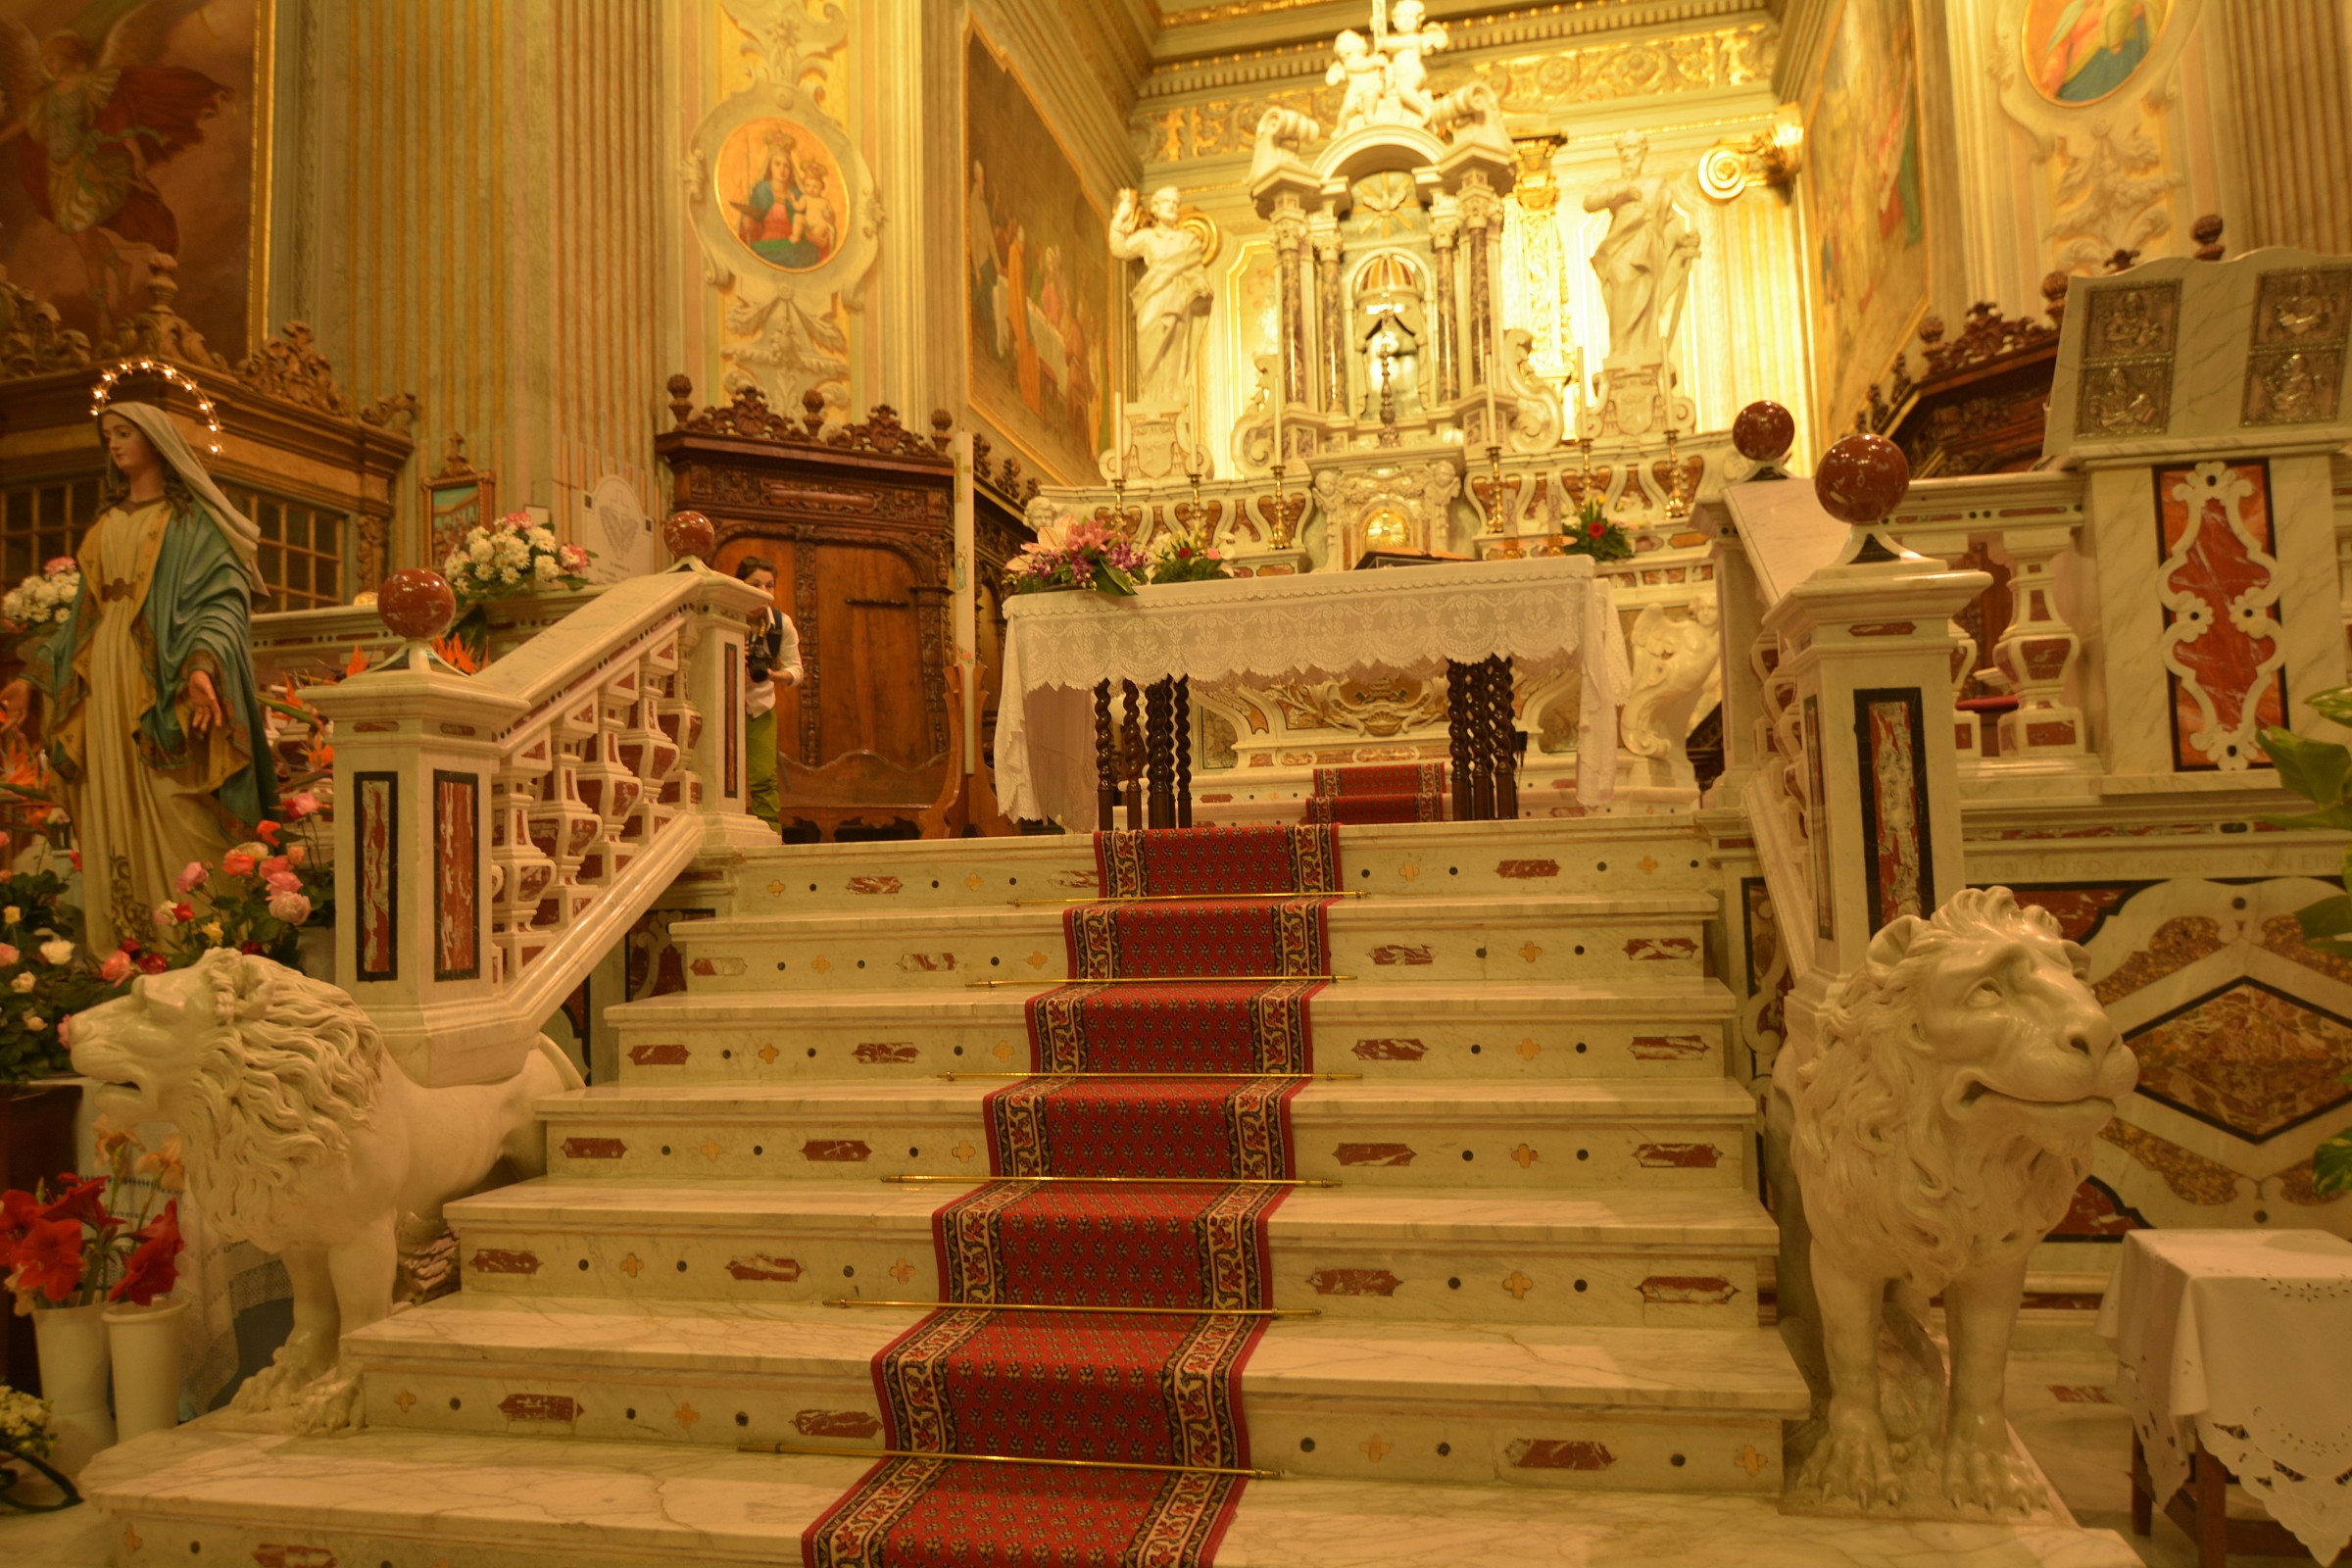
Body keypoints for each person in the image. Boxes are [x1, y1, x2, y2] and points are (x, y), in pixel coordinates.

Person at [0, 400, 275, 956]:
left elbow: (222, 602)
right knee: (110, 802)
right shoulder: (106, 524)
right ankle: (127, 948)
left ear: (157, 441)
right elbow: (84, 614)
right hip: (104, 674)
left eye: (125, 433)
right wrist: (32, 677)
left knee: (177, 801)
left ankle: (201, 941)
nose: (115, 444)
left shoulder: (193, 521)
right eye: (108, 436)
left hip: (164, 677)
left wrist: (202, 665)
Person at [1109, 186, 1212, 413]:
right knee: (1148, 348)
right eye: (1167, 202)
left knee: (1173, 352)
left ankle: (1169, 401)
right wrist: (1121, 215)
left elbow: (1197, 275)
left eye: (1176, 203)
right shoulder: (1147, 238)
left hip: (1177, 300)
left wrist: (1202, 287)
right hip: (1151, 299)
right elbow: (1119, 248)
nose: (1173, 207)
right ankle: (1149, 397)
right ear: (1155, 208)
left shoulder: (1187, 241)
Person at [735, 556, 803, 834]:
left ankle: (771, 835)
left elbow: (796, 670)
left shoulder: (780, 624)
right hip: (723, 702)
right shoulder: (725, 614)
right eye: (755, 584)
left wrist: (776, 676)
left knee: (764, 778)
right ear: (739, 586)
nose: (764, 593)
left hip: (760, 705)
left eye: (770, 585)